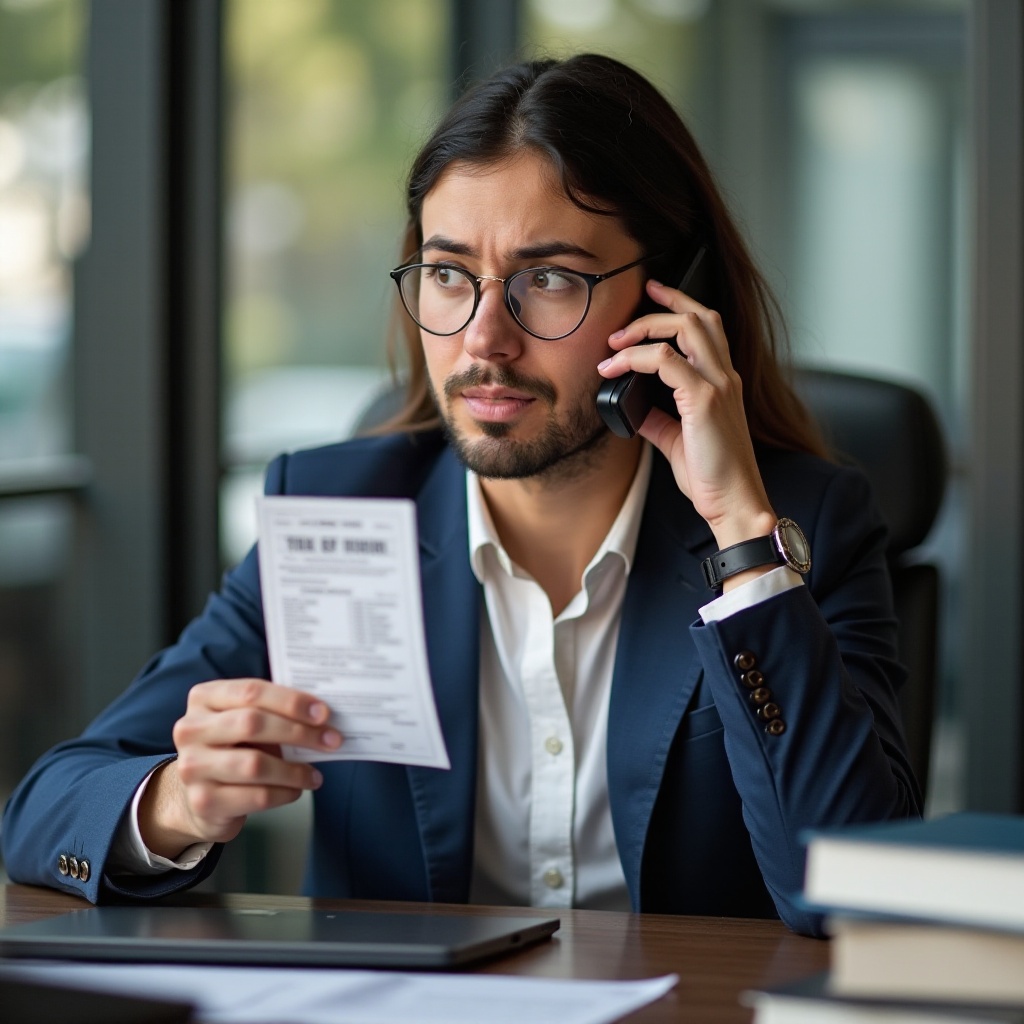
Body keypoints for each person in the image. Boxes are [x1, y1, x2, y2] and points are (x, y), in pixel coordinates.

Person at [1, 54, 920, 936]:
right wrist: (175, 802)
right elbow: (45, 811)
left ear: (670, 300)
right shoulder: (348, 513)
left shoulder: (797, 527)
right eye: (449, 275)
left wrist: (742, 537)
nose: (483, 340)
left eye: (548, 280)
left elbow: (848, 892)